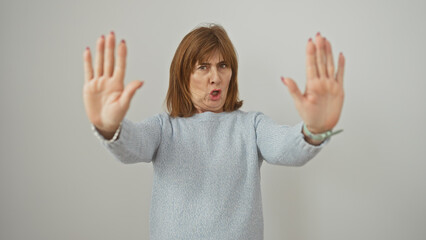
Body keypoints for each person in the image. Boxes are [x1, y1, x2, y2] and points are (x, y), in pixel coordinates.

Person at [82, 24, 345, 240]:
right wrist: (108, 126)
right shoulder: (164, 129)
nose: (216, 77)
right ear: (183, 76)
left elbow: (286, 147)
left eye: (223, 66)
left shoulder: (251, 126)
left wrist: (316, 129)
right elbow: (131, 145)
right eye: (203, 67)